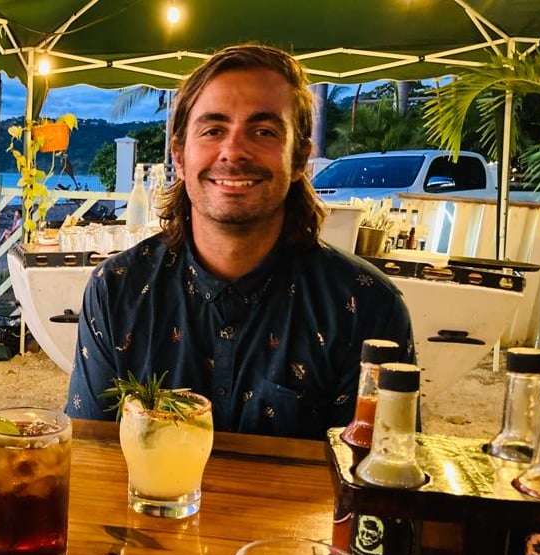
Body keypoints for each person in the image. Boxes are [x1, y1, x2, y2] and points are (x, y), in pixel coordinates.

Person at [64, 44, 414, 439]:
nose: (233, 151)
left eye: (263, 132)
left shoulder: (365, 307)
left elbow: (383, 466)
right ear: (179, 156)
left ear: (299, 159)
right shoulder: (117, 290)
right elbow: (88, 451)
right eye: (213, 130)